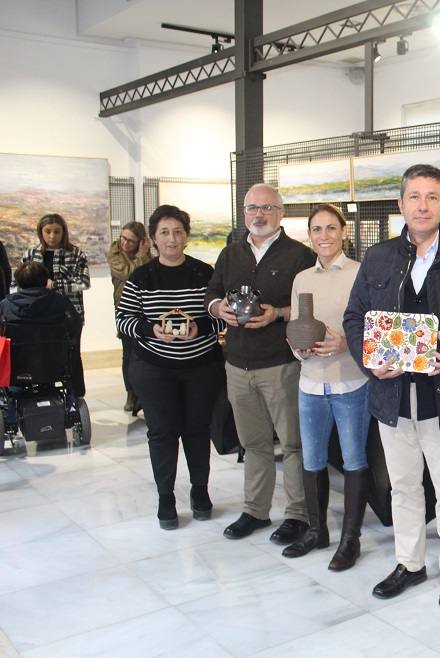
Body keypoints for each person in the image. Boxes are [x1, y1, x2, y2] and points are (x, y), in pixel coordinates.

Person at [344, 164, 440, 610]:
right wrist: (371, 363)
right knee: (403, 487)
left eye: (431, 197)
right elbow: (354, 319)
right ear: (400, 204)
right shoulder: (378, 258)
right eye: (414, 197)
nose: (422, 205)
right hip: (392, 395)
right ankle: (411, 562)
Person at [205, 184, 316, 544]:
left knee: (294, 443)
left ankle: (298, 514)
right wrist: (216, 309)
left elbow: (310, 305)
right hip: (237, 364)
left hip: (281, 363)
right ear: (244, 211)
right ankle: (255, 510)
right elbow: (212, 292)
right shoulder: (230, 254)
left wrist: (277, 313)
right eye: (252, 207)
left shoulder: (299, 255)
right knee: (253, 443)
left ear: (281, 213)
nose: (259, 214)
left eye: (267, 207)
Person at [116, 205, 225, 530]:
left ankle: (200, 491)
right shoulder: (142, 277)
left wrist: (200, 330)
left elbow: (218, 314)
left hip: (201, 367)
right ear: (153, 238)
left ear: (186, 236)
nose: (172, 239)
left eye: (178, 231)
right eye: (164, 232)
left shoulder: (205, 273)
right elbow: (124, 321)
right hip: (155, 370)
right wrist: (153, 330)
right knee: (162, 433)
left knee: (197, 430)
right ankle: (166, 498)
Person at [282, 204, 370, 570]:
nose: (324, 236)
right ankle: (317, 530)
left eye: (331, 228)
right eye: (316, 229)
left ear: (345, 231)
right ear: (310, 235)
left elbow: (372, 327)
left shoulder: (361, 273)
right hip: (310, 383)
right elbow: (295, 328)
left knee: (353, 460)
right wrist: (299, 349)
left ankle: (351, 539)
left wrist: (345, 344)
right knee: (313, 459)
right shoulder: (302, 278)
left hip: (351, 382)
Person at [0, 262, 81, 427]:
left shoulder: (6, 305)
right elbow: (75, 325)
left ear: (19, 283)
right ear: (46, 281)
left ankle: (10, 417)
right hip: (54, 366)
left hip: (17, 370)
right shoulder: (60, 302)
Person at [21, 213, 89, 397]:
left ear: (63, 232)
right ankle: (45, 395)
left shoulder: (76, 254)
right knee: (41, 354)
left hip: (69, 315)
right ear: (41, 232)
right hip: (39, 315)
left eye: (57, 232)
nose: (52, 236)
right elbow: (20, 283)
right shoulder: (30, 254)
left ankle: (76, 396)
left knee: (72, 355)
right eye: (48, 232)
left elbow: (84, 283)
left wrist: (56, 285)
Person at [107, 221, 152, 413]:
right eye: (123, 238)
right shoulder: (114, 253)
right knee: (128, 353)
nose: (125, 243)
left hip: (145, 308)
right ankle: (131, 393)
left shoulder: (147, 256)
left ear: (140, 242)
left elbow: (150, 276)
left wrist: (143, 256)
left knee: (145, 352)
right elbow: (130, 275)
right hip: (124, 307)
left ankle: (145, 393)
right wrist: (141, 256)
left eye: (131, 241)